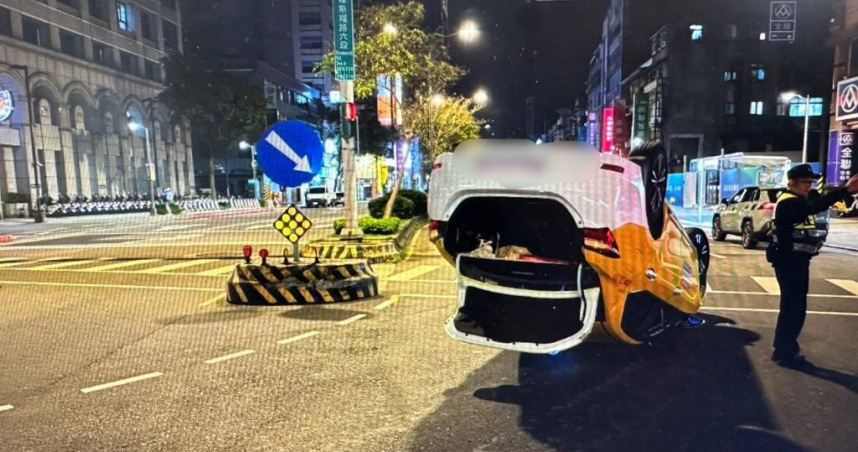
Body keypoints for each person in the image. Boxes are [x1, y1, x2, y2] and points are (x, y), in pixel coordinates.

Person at [767, 164, 858, 368]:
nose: (809, 186)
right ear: (791, 182)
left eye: (810, 182)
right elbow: (812, 207)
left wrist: (845, 190)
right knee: (793, 308)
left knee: (795, 307)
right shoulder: (788, 203)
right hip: (789, 261)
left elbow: (818, 201)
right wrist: (845, 189)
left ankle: (785, 348)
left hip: (798, 260)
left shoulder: (800, 198)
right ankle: (784, 351)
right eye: (804, 183)